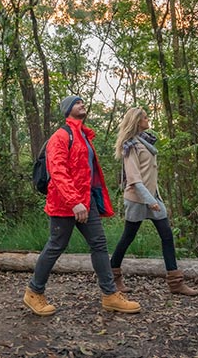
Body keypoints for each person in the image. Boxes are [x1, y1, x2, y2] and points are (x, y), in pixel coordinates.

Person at [23, 95, 141, 316]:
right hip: (64, 203)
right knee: (56, 246)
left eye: (82, 102)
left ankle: (110, 295)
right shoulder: (61, 136)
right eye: (77, 102)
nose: (82, 104)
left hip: (85, 202)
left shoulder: (84, 137)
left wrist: (87, 201)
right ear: (68, 109)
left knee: (99, 244)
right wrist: (74, 201)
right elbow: (58, 172)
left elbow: (87, 173)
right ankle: (34, 292)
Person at [110, 107, 198, 296]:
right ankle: (113, 276)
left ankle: (176, 283)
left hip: (153, 197)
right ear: (137, 121)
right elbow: (134, 179)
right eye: (145, 117)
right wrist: (150, 201)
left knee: (167, 236)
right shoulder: (130, 145)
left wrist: (155, 198)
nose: (148, 119)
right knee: (128, 237)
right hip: (137, 199)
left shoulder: (145, 140)